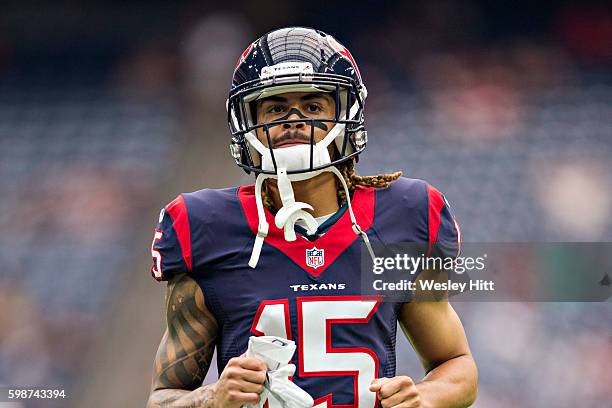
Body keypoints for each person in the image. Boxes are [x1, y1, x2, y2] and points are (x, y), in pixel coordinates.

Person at [146, 27, 477, 408]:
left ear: (347, 115)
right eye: (274, 107)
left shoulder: (404, 214)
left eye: (313, 106)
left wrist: (423, 397)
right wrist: (212, 397)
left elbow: (457, 365)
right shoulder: (204, 225)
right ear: (246, 119)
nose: (293, 120)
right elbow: (162, 398)